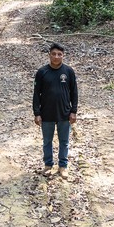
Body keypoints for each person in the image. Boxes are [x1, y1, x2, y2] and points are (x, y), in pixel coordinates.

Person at [32, 42, 78, 175]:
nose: (56, 57)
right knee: (47, 141)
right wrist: (37, 113)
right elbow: (36, 94)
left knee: (64, 141)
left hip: (64, 113)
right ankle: (48, 165)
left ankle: (63, 166)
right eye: (54, 54)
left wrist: (73, 111)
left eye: (59, 54)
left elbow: (74, 92)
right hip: (46, 113)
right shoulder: (42, 72)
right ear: (49, 55)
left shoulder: (68, 71)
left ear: (63, 56)